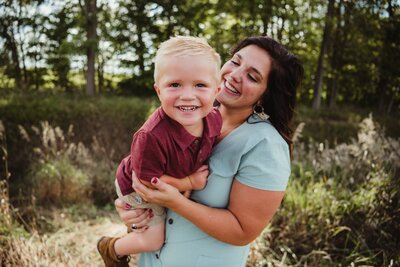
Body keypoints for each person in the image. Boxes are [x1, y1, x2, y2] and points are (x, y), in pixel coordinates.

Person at [116, 36, 304, 267]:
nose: (235, 75)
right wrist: (133, 211)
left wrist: (176, 201)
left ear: (266, 94)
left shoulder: (266, 145)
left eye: (252, 76)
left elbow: (243, 231)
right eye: (235, 62)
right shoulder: (191, 114)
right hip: (151, 261)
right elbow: (144, 172)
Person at [97, 36, 222, 266]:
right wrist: (188, 183)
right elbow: (147, 182)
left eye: (200, 85)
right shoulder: (151, 136)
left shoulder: (214, 119)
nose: (187, 95)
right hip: (138, 182)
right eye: (175, 85)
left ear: (217, 90)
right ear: (158, 91)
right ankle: (111, 248)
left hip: (168, 174)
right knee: (154, 239)